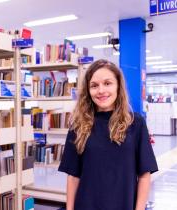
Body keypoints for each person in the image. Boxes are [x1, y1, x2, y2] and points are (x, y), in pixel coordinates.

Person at [58, 59, 158, 210]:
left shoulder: (135, 123)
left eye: (107, 83)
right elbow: (73, 176)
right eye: (94, 85)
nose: (101, 91)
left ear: (118, 86)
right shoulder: (78, 125)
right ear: (88, 90)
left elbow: (144, 175)